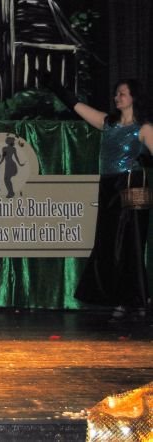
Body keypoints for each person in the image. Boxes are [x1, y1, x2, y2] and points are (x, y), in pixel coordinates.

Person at [49, 78, 153, 321]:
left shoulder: (144, 128)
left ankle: (134, 299)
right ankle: (124, 298)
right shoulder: (109, 123)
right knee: (109, 244)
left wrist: (146, 160)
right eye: (116, 93)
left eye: (122, 94)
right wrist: (57, 88)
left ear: (134, 98)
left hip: (132, 186)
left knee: (131, 244)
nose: (117, 97)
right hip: (109, 189)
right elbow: (77, 106)